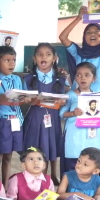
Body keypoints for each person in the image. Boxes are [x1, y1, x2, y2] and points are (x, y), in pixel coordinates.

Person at [59, 2, 100, 197]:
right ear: (84, 36)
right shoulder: (77, 53)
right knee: (78, 142)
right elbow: (63, 37)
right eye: (88, 32)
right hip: (78, 105)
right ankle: (75, 179)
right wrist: (79, 18)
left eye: (97, 31)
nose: (93, 34)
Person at [23, 43, 66, 183]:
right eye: (40, 54)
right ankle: (35, 177)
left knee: (51, 145)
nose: (44, 57)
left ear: (54, 58)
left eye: (48, 54)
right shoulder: (28, 79)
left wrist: (62, 102)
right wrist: (30, 101)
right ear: (34, 59)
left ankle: (49, 177)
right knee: (36, 146)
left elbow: (64, 99)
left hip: (52, 117)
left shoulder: (60, 78)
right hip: (35, 118)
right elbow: (24, 99)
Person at [7, 147, 80, 200]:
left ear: (44, 165)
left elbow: (50, 198)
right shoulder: (16, 179)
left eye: (39, 159)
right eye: (31, 159)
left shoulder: (48, 180)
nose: (36, 162)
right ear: (24, 165)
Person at [0, 46, 30, 183]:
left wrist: (26, 98)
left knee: (9, 155)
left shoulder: (17, 79)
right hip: (1, 121)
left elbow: (23, 96)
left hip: (16, 120)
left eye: (13, 60)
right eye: (7, 60)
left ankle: (5, 186)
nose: (11, 63)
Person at [60, 62, 100, 175]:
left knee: (91, 158)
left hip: (91, 134)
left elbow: (98, 116)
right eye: (79, 75)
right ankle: (70, 186)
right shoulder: (71, 95)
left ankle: (88, 187)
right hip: (75, 133)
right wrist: (73, 113)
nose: (82, 78)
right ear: (75, 77)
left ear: (94, 78)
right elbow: (61, 113)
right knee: (74, 158)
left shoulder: (98, 97)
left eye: (87, 75)